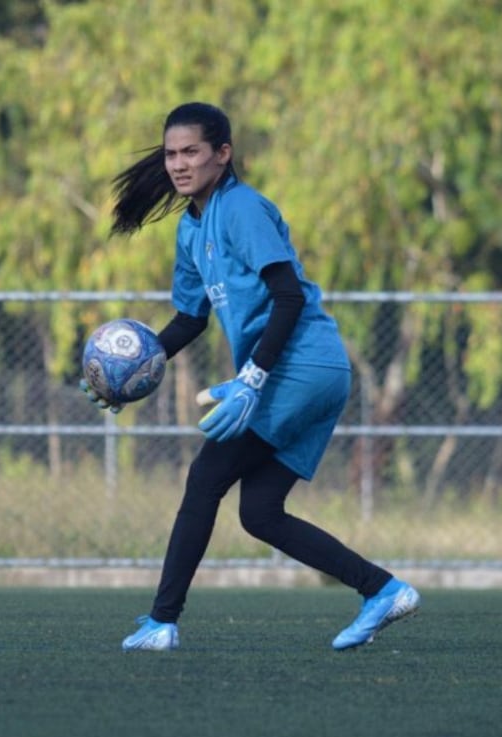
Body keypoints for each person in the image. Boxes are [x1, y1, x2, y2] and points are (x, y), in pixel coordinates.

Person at [82, 102, 420, 651]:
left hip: (302, 366)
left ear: (223, 153)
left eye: (191, 151)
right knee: (260, 512)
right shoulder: (191, 231)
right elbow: (192, 318)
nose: (178, 164)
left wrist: (254, 378)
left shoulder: (241, 208)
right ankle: (382, 589)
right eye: (170, 153)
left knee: (205, 477)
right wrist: (126, 372)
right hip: (308, 372)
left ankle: (163, 622)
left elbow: (288, 295)